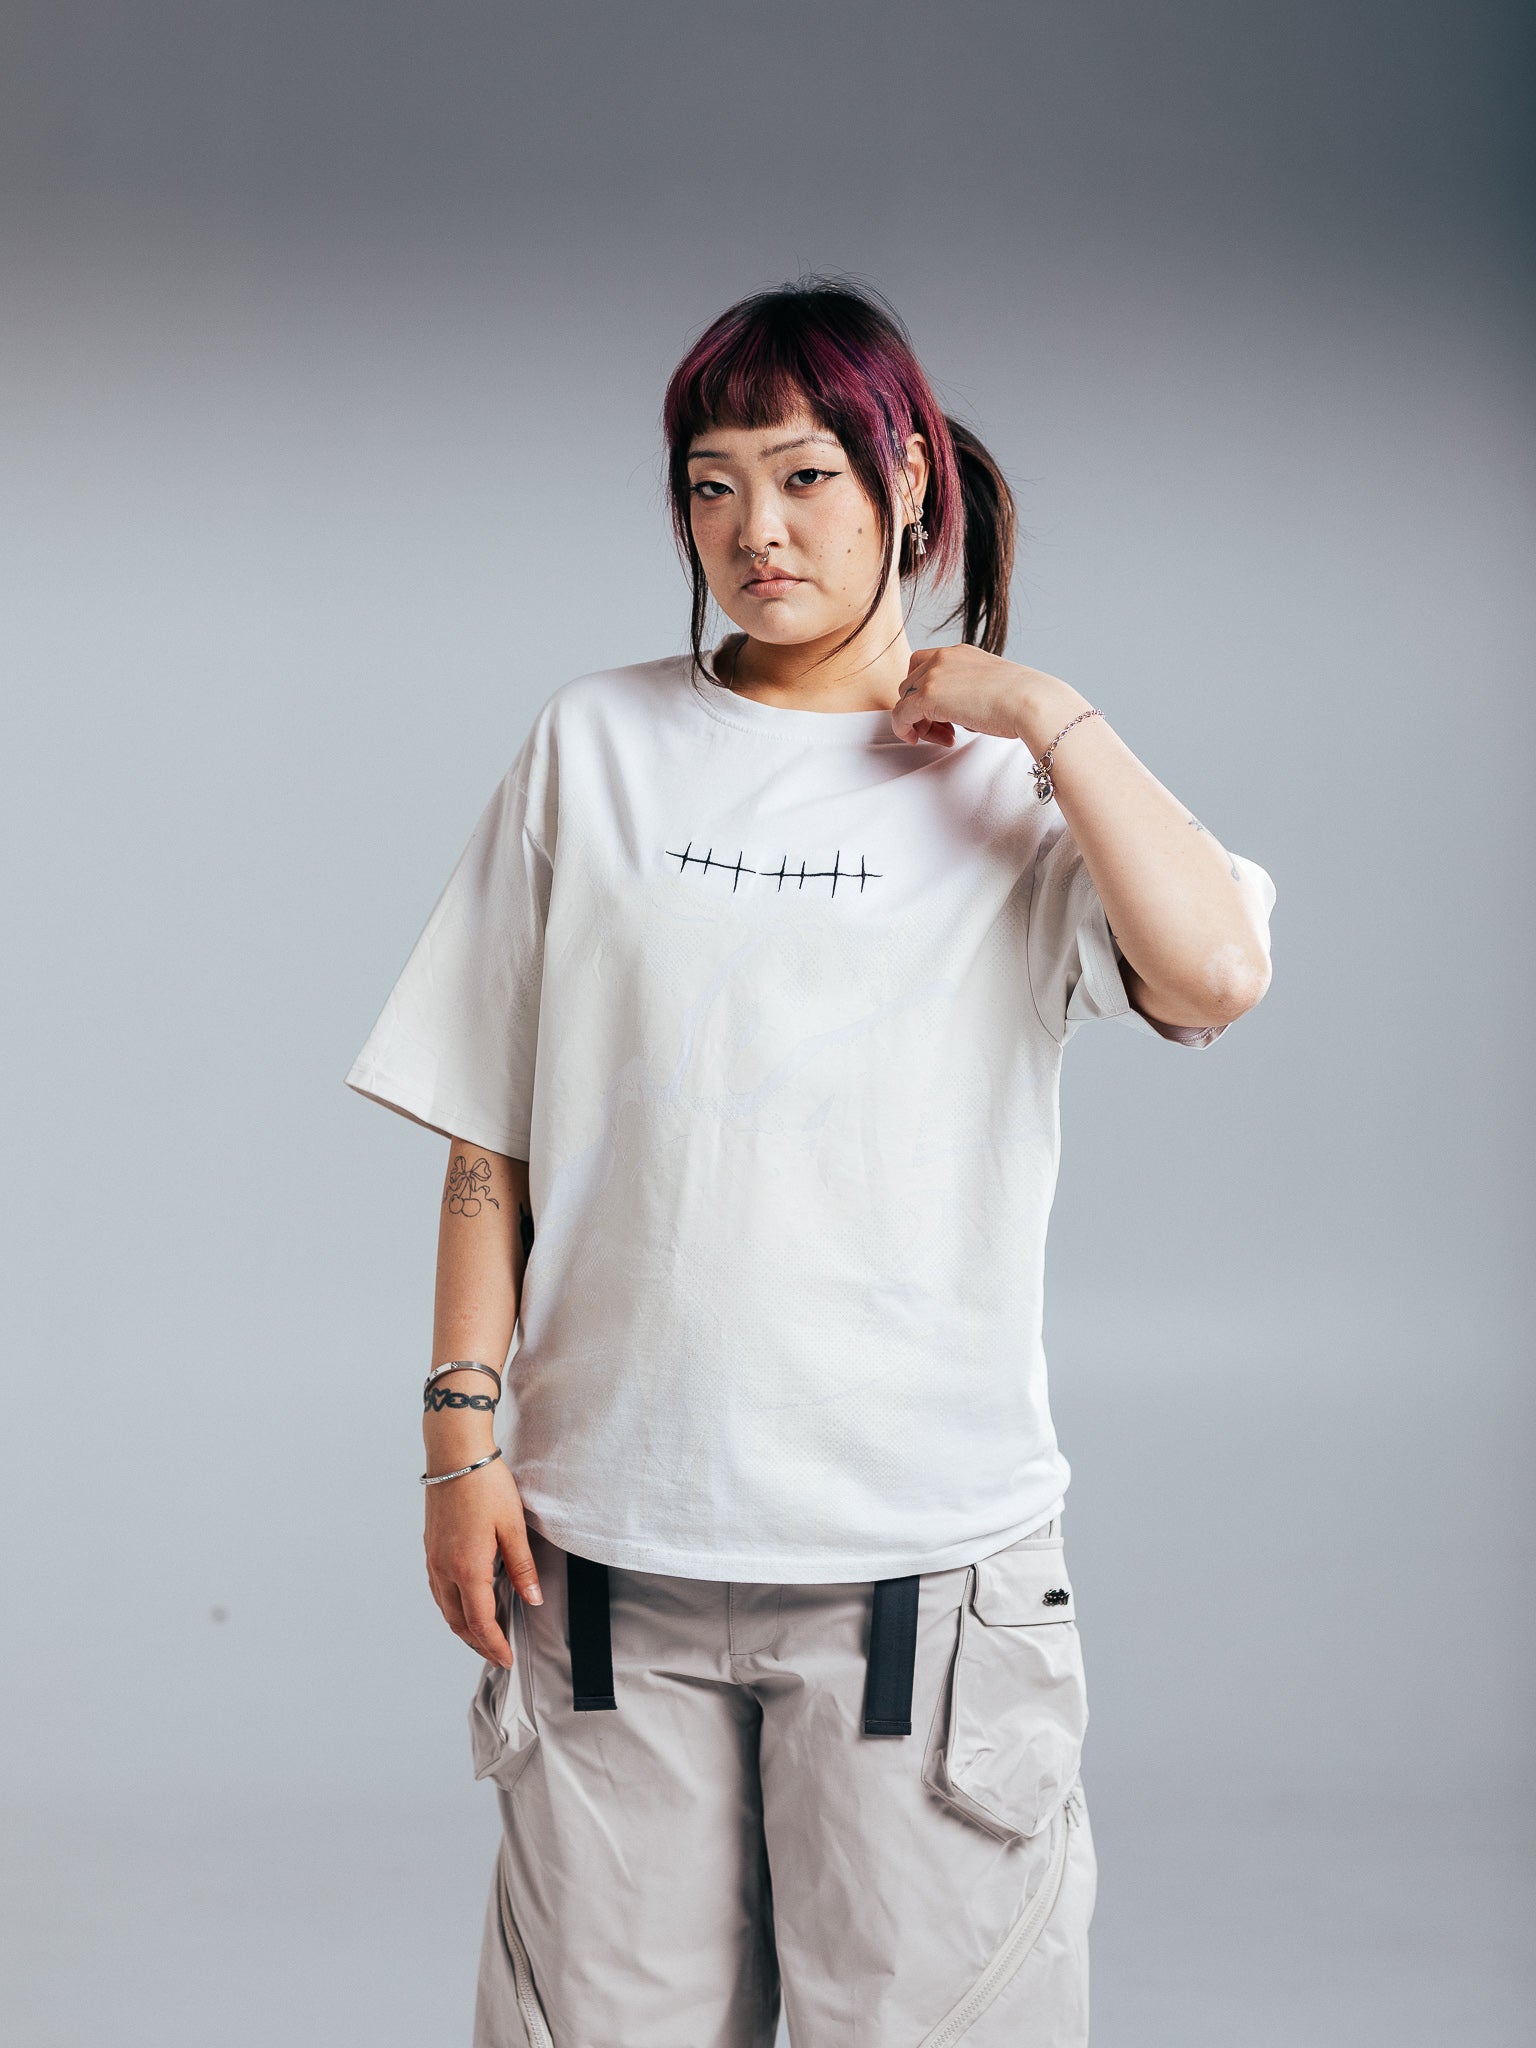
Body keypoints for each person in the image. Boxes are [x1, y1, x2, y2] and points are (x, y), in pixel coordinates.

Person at [344, 275, 1277, 2048]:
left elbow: (1216, 975)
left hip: (920, 1581)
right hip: (606, 1571)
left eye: (804, 476)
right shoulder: (595, 745)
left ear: (907, 478)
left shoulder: (1012, 788)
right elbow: (494, 1120)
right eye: (711, 486)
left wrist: (1043, 707)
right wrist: (458, 1436)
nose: (754, 531)